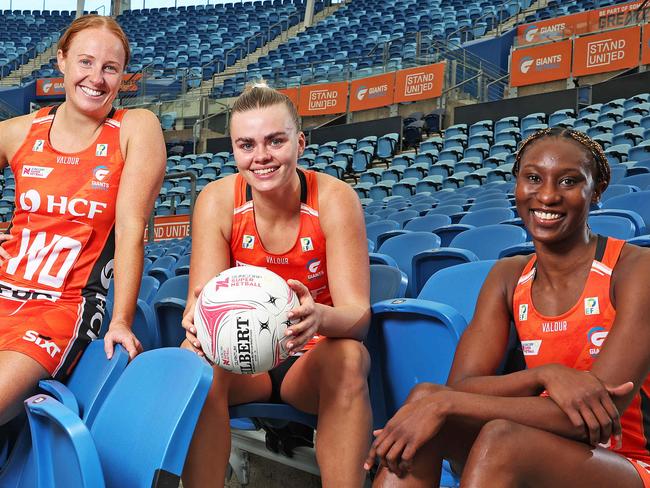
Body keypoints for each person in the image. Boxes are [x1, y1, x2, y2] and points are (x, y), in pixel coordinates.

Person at [366, 127, 650, 487]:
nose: (547, 195)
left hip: (628, 462)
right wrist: (542, 375)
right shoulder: (508, 277)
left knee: (485, 431)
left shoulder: (635, 268)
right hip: (539, 442)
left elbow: (596, 417)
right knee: (424, 408)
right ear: (516, 185)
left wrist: (442, 404)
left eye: (568, 181)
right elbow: (462, 385)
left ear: (596, 191)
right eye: (533, 178)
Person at [181, 82, 371, 487]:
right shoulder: (217, 201)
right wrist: (195, 325)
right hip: (243, 363)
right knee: (192, 361)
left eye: (275, 141)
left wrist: (318, 316)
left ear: (300, 142)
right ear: (233, 150)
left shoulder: (335, 199)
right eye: (246, 145)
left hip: (309, 360)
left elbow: (358, 317)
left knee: (352, 357)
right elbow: (198, 304)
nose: (261, 157)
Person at [0, 15, 166, 425]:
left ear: (123, 75)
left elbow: (130, 230)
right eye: (86, 62)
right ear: (61, 61)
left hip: (63, 308)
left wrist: (122, 320)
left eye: (110, 67)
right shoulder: (17, 132)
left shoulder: (135, 128)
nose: (97, 77)